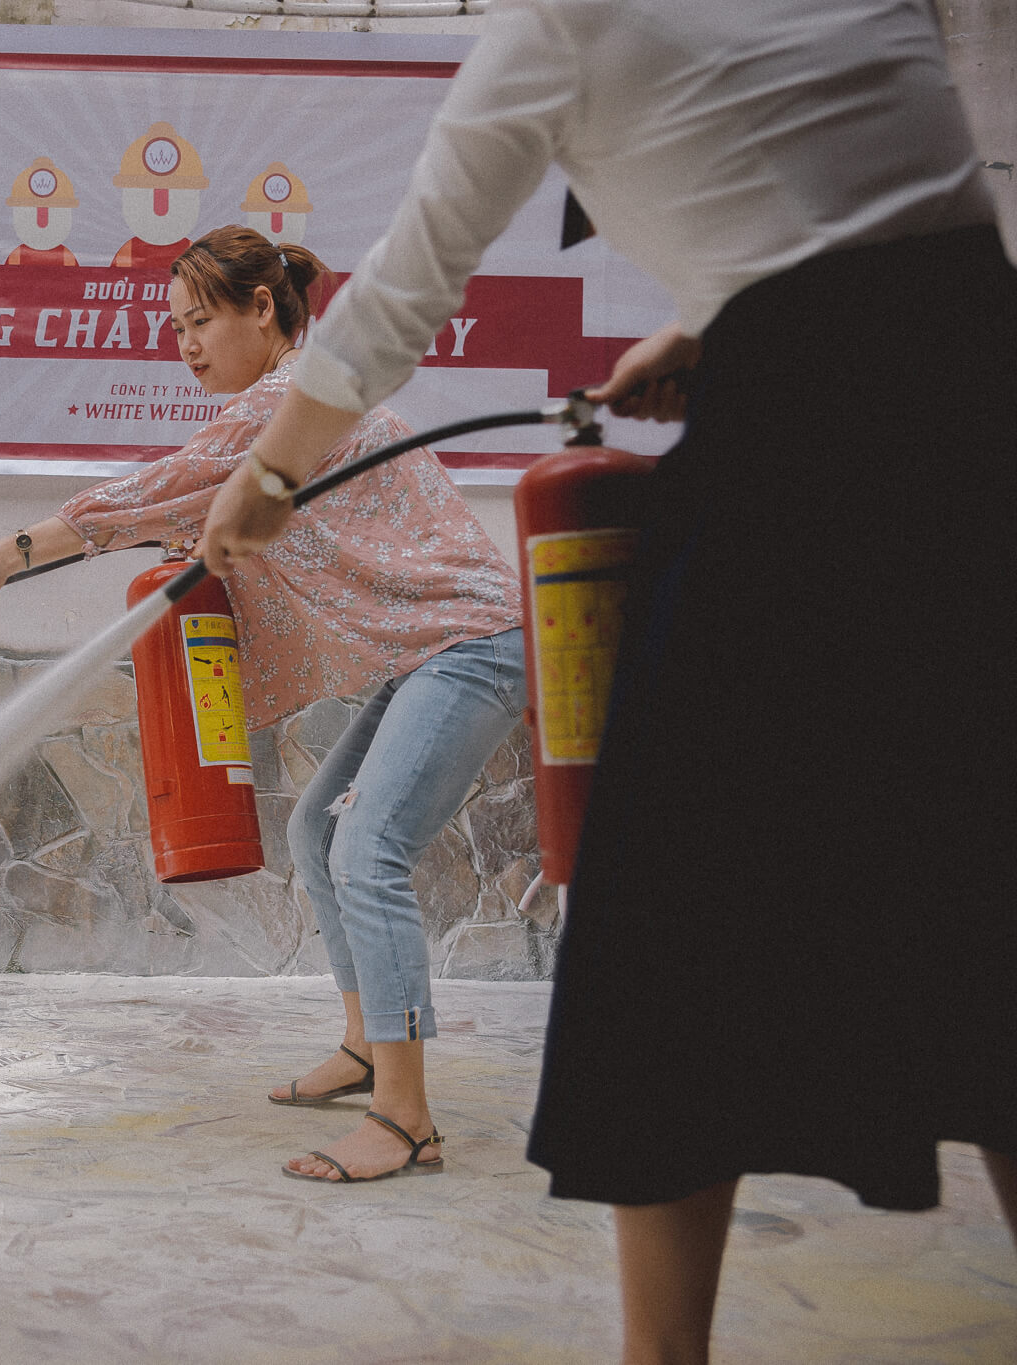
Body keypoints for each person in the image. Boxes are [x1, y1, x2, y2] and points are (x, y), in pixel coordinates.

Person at [196, 1, 1017, 1360]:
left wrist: (272, 470)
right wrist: (715, 327)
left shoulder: (567, 20)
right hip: (984, 426)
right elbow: (861, 215)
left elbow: (403, 289)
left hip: (804, 472)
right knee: (985, 897)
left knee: (662, 938)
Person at [0, 225, 528, 1184]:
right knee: (314, 832)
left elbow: (156, 491)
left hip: (471, 643)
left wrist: (9, 554)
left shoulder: (287, 402)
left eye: (201, 321)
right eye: (175, 329)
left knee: (366, 848)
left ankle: (406, 1117)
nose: (186, 345)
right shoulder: (275, 410)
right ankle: (366, 1042)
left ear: (263, 309)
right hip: (429, 649)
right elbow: (198, 509)